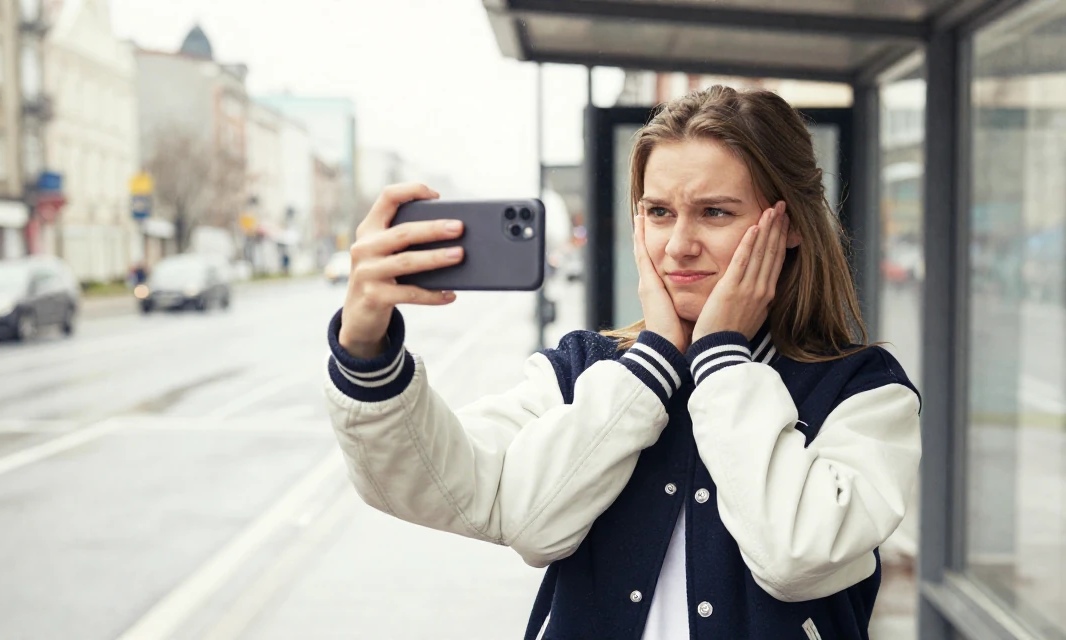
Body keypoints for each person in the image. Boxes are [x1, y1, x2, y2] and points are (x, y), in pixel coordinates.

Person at [323, 86, 921, 640]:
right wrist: (366, 344)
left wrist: (720, 357)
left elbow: (796, 555)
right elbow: (457, 488)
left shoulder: (862, 391)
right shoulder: (587, 369)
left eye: (714, 212)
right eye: (658, 211)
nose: (678, 244)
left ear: (785, 226)